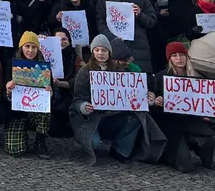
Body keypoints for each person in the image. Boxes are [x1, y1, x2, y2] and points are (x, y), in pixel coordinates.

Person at [71, 34, 166, 165]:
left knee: (137, 117)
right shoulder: (84, 71)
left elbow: (132, 95)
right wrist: (83, 106)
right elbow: (76, 100)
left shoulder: (119, 70)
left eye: (104, 50)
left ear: (109, 52)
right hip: (91, 118)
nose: (100, 53)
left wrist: (149, 100)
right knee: (95, 144)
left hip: (113, 115)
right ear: (92, 51)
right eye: (97, 50)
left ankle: (121, 149)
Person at [149, 42, 215, 172]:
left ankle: (202, 153)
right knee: (186, 167)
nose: (179, 59)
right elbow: (150, 104)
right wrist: (156, 102)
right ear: (169, 59)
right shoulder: (159, 77)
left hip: (191, 120)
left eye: (181, 55)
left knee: (210, 139)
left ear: (187, 57)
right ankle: (168, 155)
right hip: (170, 123)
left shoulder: (197, 77)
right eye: (174, 55)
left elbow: (209, 99)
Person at [96, 0, 157, 74]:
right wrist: (113, 39)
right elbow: (100, 24)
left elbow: (152, 20)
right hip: (114, 48)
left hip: (139, 49)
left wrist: (140, 15)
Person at [4, 32, 52, 158]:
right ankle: (21, 133)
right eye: (27, 46)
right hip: (17, 112)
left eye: (34, 47)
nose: (30, 50)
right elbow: (3, 97)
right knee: (15, 150)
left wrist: (50, 94)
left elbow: (53, 95)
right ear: (21, 47)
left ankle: (40, 142)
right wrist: (8, 90)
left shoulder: (44, 68)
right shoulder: (11, 64)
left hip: (36, 112)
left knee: (46, 113)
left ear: (38, 49)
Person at [49, 27, 80, 137]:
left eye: (64, 39)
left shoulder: (75, 58)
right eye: (57, 39)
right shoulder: (46, 55)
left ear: (69, 41)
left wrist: (62, 84)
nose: (61, 42)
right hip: (49, 96)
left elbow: (77, 80)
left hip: (67, 97)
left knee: (54, 130)